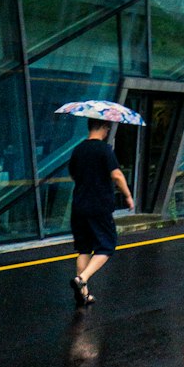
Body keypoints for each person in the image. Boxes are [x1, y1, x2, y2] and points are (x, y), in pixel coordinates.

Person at [68, 119, 133, 307]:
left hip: (79, 204)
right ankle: (83, 279)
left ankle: (84, 294)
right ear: (104, 128)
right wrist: (128, 196)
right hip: (99, 205)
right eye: (107, 128)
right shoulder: (104, 149)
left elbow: (73, 174)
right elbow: (117, 175)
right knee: (107, 245)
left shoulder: (78, 149)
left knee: (84, 248)